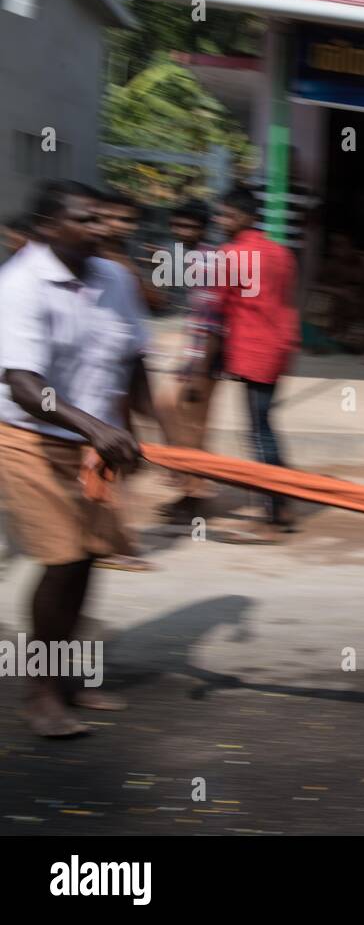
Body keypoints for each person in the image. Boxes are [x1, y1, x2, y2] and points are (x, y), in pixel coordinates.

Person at [0, 179, 159, 736]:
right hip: (27, 439)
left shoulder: (114, 276)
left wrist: (152, 430)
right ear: (49, 227)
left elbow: (134, 356)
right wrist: (95, 427)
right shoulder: (21, 284)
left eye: (103, 219)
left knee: (90, 556)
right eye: (87, 220)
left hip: (96, 443)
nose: (102, 228)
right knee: (63, 556)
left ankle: (65, 678)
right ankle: (40, 694)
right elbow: (23, 384)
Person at [209, 185, 301, 538]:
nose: (221, 221)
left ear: (245, 216)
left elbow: (217, 309)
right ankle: (279, 498)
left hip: (252, 351)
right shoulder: (281, 253)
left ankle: (278, 503)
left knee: (259, 430)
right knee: (265, 423)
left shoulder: (229, 255)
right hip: (278, 348)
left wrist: (206, 360)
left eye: (226, 215)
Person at [159, 199, 221, 520]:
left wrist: (198, 371)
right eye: (178, 225)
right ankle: (189, 485)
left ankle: (195, 495)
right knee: (173, 412)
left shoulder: (208, 261)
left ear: (203, 228)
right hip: (196, 357)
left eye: (189, 226)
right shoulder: (192, 258)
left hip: (205, 362)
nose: (182, 232)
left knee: (193, 428)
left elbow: (212, 324)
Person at [98, 190, 165, 313]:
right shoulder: (89, 253)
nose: (131, 227)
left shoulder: (131, 252)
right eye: (124, 220)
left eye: (132, 221)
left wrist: (156, 269)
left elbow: (156, 303)